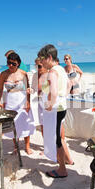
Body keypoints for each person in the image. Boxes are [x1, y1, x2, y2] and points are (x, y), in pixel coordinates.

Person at [37, 44, 74, 178]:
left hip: (55, 109)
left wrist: (50, 105)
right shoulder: (61, 69)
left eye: (42, 59)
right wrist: (63, 96)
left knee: (56, 139)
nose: (41, 62)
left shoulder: (53, 71)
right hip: (62, 106)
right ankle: (67, 160)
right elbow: (70, 85)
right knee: (59, 136)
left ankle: (62, 169)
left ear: (49, 57)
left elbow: (52, 92)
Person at [0, 52, 35, 155]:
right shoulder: (3, 74)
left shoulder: (23, 73)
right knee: (13, 125)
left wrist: (28, 102)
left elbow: (28, 89)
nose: (10, 65)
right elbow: (0, 89)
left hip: (22, 100)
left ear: (18, 63)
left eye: (13, 63)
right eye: (9, 63)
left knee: (25, 122)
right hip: (10, 101)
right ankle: (16, 146)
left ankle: (27, 146)